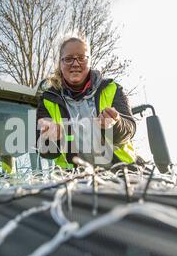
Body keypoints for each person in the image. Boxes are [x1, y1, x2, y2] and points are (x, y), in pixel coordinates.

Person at [36, 36, 138, 169]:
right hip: (73, 181)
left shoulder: (112, 89)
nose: (75, 63)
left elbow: (130, 128)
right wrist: (51, 139)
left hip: (122, 175)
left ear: (89, 61)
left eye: (81, 58)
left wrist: (116, 123)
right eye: (68, 59)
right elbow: (45, 151)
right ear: (60, 64)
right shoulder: (47, 100)